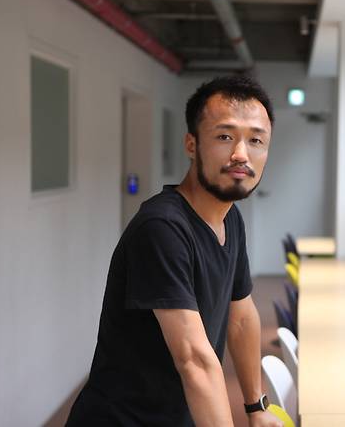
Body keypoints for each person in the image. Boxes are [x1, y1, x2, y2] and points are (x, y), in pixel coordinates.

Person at [66, 76, 282, 427]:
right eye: (225, 136)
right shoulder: (163, 228)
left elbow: (241, 318)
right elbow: (195, 359)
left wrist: (255, 407)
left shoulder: (231, 219)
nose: (241, 154)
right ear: (191, 144)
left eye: (256, 140)